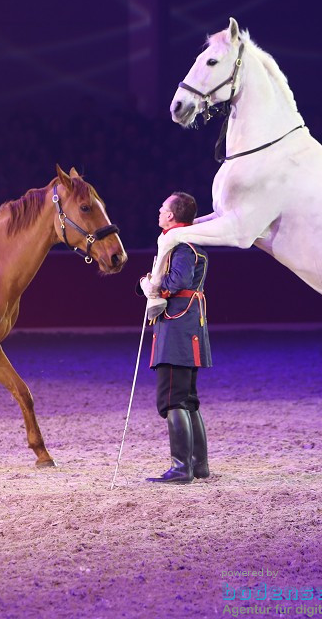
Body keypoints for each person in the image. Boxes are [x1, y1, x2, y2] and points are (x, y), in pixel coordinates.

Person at [137, 191, 211, 484]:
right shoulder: (190, 244)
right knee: (188, 398)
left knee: (172, 399)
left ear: (171, 215)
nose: (159, 209)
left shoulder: (180, 245)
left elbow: (177, 280)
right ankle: (198, 464)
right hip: (189, 324)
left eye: (163, 207)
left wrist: (154, 287)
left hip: (177, 326)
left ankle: (182, 468)